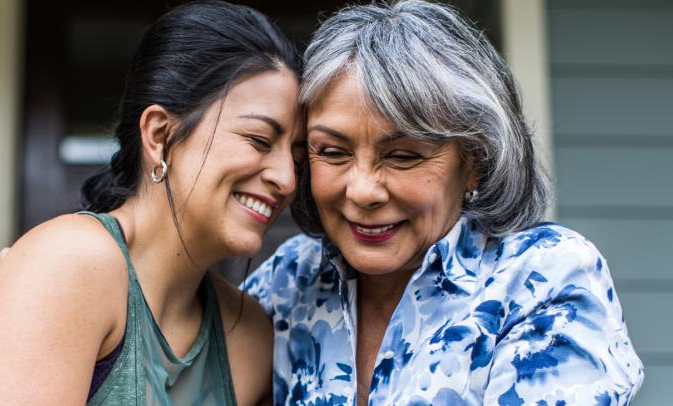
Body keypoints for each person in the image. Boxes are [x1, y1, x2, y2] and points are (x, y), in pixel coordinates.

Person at [240, 1, 644, 405]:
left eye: (403, 156)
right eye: (332, 152)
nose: (362, 191)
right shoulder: (288, 280)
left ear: (475, 162)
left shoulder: (540, 278)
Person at [0, 1, 303, 404]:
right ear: (159, 136)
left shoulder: (247, 339)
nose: (287, 178)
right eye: (259, 141)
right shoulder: (70, 266)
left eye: (296, 157)